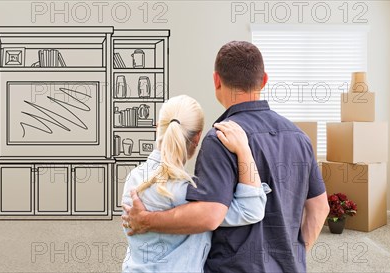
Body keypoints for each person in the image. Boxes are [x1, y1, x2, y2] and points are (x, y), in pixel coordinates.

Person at [122, 41, 330, 273]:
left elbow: (209, 214)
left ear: (216, 80)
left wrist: (146, 220)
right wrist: (293, 257)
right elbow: (320, 207)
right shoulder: (300, 138)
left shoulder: (220, 138)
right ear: (264, 80)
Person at [121, 95, 271, 272]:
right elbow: (251, 209)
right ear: (198, 137)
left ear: (157, 128)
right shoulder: (187, 192)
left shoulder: (133, 177)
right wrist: (244, 150)